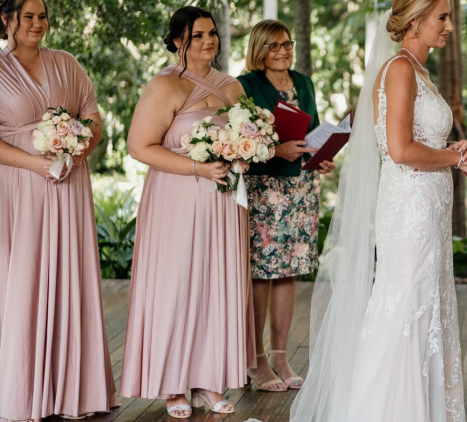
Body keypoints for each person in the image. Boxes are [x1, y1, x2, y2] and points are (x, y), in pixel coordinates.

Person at [289, 0, 467, 420]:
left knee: (426, 307)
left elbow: (418, 140)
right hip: (410, 213)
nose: (450, 26)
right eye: (442, 17)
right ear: (416, 21)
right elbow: (400, 149)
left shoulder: (419, 71)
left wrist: (452, 149)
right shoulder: (400, 69)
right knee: (407, 309)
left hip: (427, 211)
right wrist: (453, 159)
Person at [119, 6, 254, 418]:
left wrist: (245, 154)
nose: (208, 41)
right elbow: (139, 146)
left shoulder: (232, 86)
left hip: (223, 202)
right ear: (178, 40)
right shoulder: (165, 85)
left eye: (212, 33)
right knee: (177, 285)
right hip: (176, 200)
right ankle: (174, 384)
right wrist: (197, 167)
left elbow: (245, 136)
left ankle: (210, 378)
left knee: (216, 284)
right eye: (198, 35)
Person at [0, 0, 119, 420]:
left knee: (71, 274)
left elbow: (93, 119)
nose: (37, 24)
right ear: (6, 19)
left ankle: (75, 393)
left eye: (42, 16)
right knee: (24, 277)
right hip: (20, 187)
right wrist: (35, 163)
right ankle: (22, 391)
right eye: (28, 16)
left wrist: (76, 149)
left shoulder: (67, 63)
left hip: (69, 184)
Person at [236, 19, 335, 393]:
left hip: (301, 187)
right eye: (274, 45)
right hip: (264, 187)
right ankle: (255, 358)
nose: (283, 51)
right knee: (262, 272)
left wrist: (322, 156)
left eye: (287, 44)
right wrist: (277, 150)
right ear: (259, 49)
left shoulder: (304, 82)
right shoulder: (245, 85)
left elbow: (313, 131)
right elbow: (238, 140)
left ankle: (280, 356)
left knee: (288, 271)